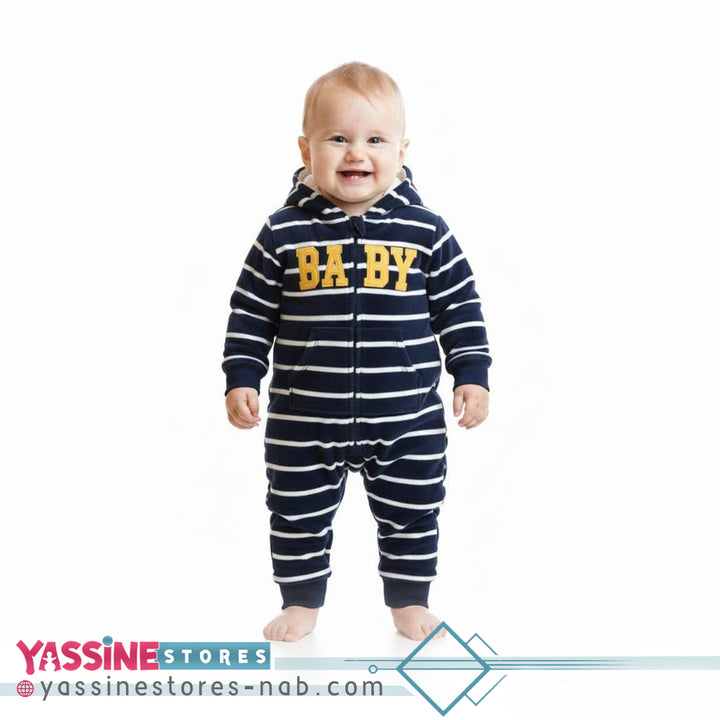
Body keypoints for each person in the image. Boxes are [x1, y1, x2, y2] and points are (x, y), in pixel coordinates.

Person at [223, 62, 491, 642]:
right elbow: (250, 311)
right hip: (303, 416)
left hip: (407, 415)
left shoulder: (426, 231)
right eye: (338, 138)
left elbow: (460, 307)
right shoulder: (282, 233)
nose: (356, 153)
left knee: (414, 510)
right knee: (295, 512)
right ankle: (300, 604)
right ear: (307, 149)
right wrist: (242, 375)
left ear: (401, 151)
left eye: (375, 140)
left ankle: (409, 603)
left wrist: (471, 373)